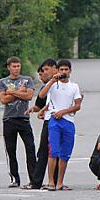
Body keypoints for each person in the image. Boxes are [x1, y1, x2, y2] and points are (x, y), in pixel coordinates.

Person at [38, 59, 82, 191]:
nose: (63, 72)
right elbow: (41, 95)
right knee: (53, 152)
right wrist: (52, 80)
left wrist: (63, 112)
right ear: (57, 71)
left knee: (65, 153)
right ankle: (51, 181)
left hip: (68, 121)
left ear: (70, 71)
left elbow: (77, 105)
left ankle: (60, 182)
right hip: (54, 121)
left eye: (66, 70)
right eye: (61, 70)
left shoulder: (74, 86)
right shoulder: (52, 84)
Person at [0, 56, 36, 188]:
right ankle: (14, 178)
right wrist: (20, 92)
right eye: (13, 66)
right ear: (8, 67)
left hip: (24, 118)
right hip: (9, 119)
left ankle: (33, 178)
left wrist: (12, 92)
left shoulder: (27, 80)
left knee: (30, 148)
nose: (16, 69)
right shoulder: (2, 82)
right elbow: (3, 100)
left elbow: (29, 96)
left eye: (18, 66)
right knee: (11, 150)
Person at [26, 59, 57, 189]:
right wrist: (38, 109)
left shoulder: (64, 84)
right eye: (42, 71)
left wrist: (43, 110)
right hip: (49, 120)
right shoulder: (48, 85)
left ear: (55, 68)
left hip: (59, 119)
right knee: (43, 151)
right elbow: (42, 101)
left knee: (55, 151)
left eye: (46, 70)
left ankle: (56, 181)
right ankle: (37, 181)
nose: (44, 73)